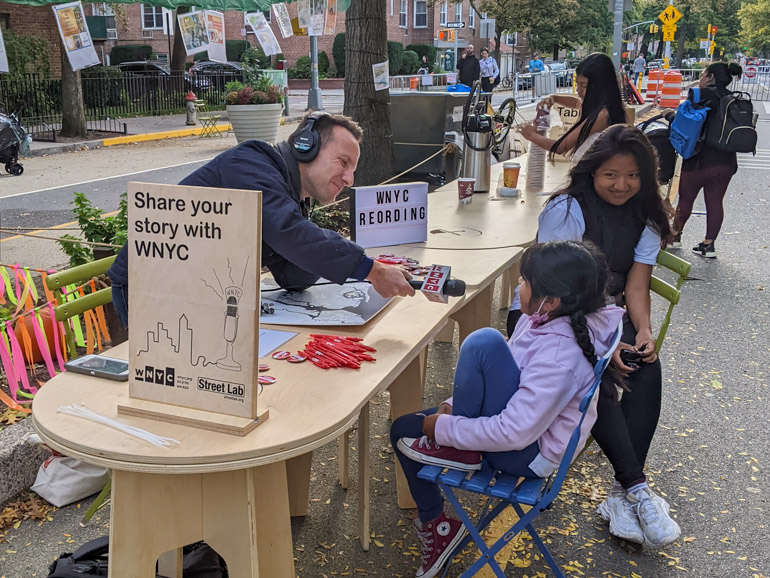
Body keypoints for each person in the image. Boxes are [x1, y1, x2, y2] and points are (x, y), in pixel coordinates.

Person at [390, 240, 624, 578]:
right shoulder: (544, 319)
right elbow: (510, 374)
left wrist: (445, 430)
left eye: (525, 280)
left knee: (482, 343)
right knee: (403, 428)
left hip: (527, 454)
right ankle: (440, 526)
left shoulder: (560, 356)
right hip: (522, 431)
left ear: (551, 299)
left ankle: (460, 461)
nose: (519, 285)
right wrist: (453, 408)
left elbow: (515, 432)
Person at [509, 125, 680, 548]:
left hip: (606, 314)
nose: (621, 185)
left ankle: (622, 497)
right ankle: (635, 486)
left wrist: (641, 331)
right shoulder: (567, 208)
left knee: (646, 370)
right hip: (548, 313)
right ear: (592, 172)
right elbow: (552, 288)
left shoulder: (649, 218)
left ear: (646, 176)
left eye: (632, 176)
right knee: (594, 376)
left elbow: (637, 285)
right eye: (610, 175)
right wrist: (605, 347)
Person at [107, 113, 415, 326]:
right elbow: (287, 232)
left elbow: (293, 277)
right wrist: (371, 270)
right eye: (343, 162)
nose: (348, 178)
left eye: (353, 170)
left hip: (198, 287)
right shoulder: (251, 161)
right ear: (306, 148)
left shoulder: (286, 192)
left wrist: (316, 250)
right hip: (152, 284)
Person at [669, 62, 743, 258]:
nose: (700, 79)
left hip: (699, 160)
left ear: (710, 78)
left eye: (703, 75)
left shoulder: (700, 95)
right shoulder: (732, 98)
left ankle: (674, 236)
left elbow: (684, 119)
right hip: (726, 161)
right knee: (715, 202)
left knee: (685, 200)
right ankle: (708, 244)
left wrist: (668, 115)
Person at [519, 53, 627, 163]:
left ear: (600, 85)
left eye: (584, 85)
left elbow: (561, 147)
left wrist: (531, 135)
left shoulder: (601, 116)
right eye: (577, 84)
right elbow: (576, 102)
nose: (578, 90)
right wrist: (555, 98)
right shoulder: (602, 107)